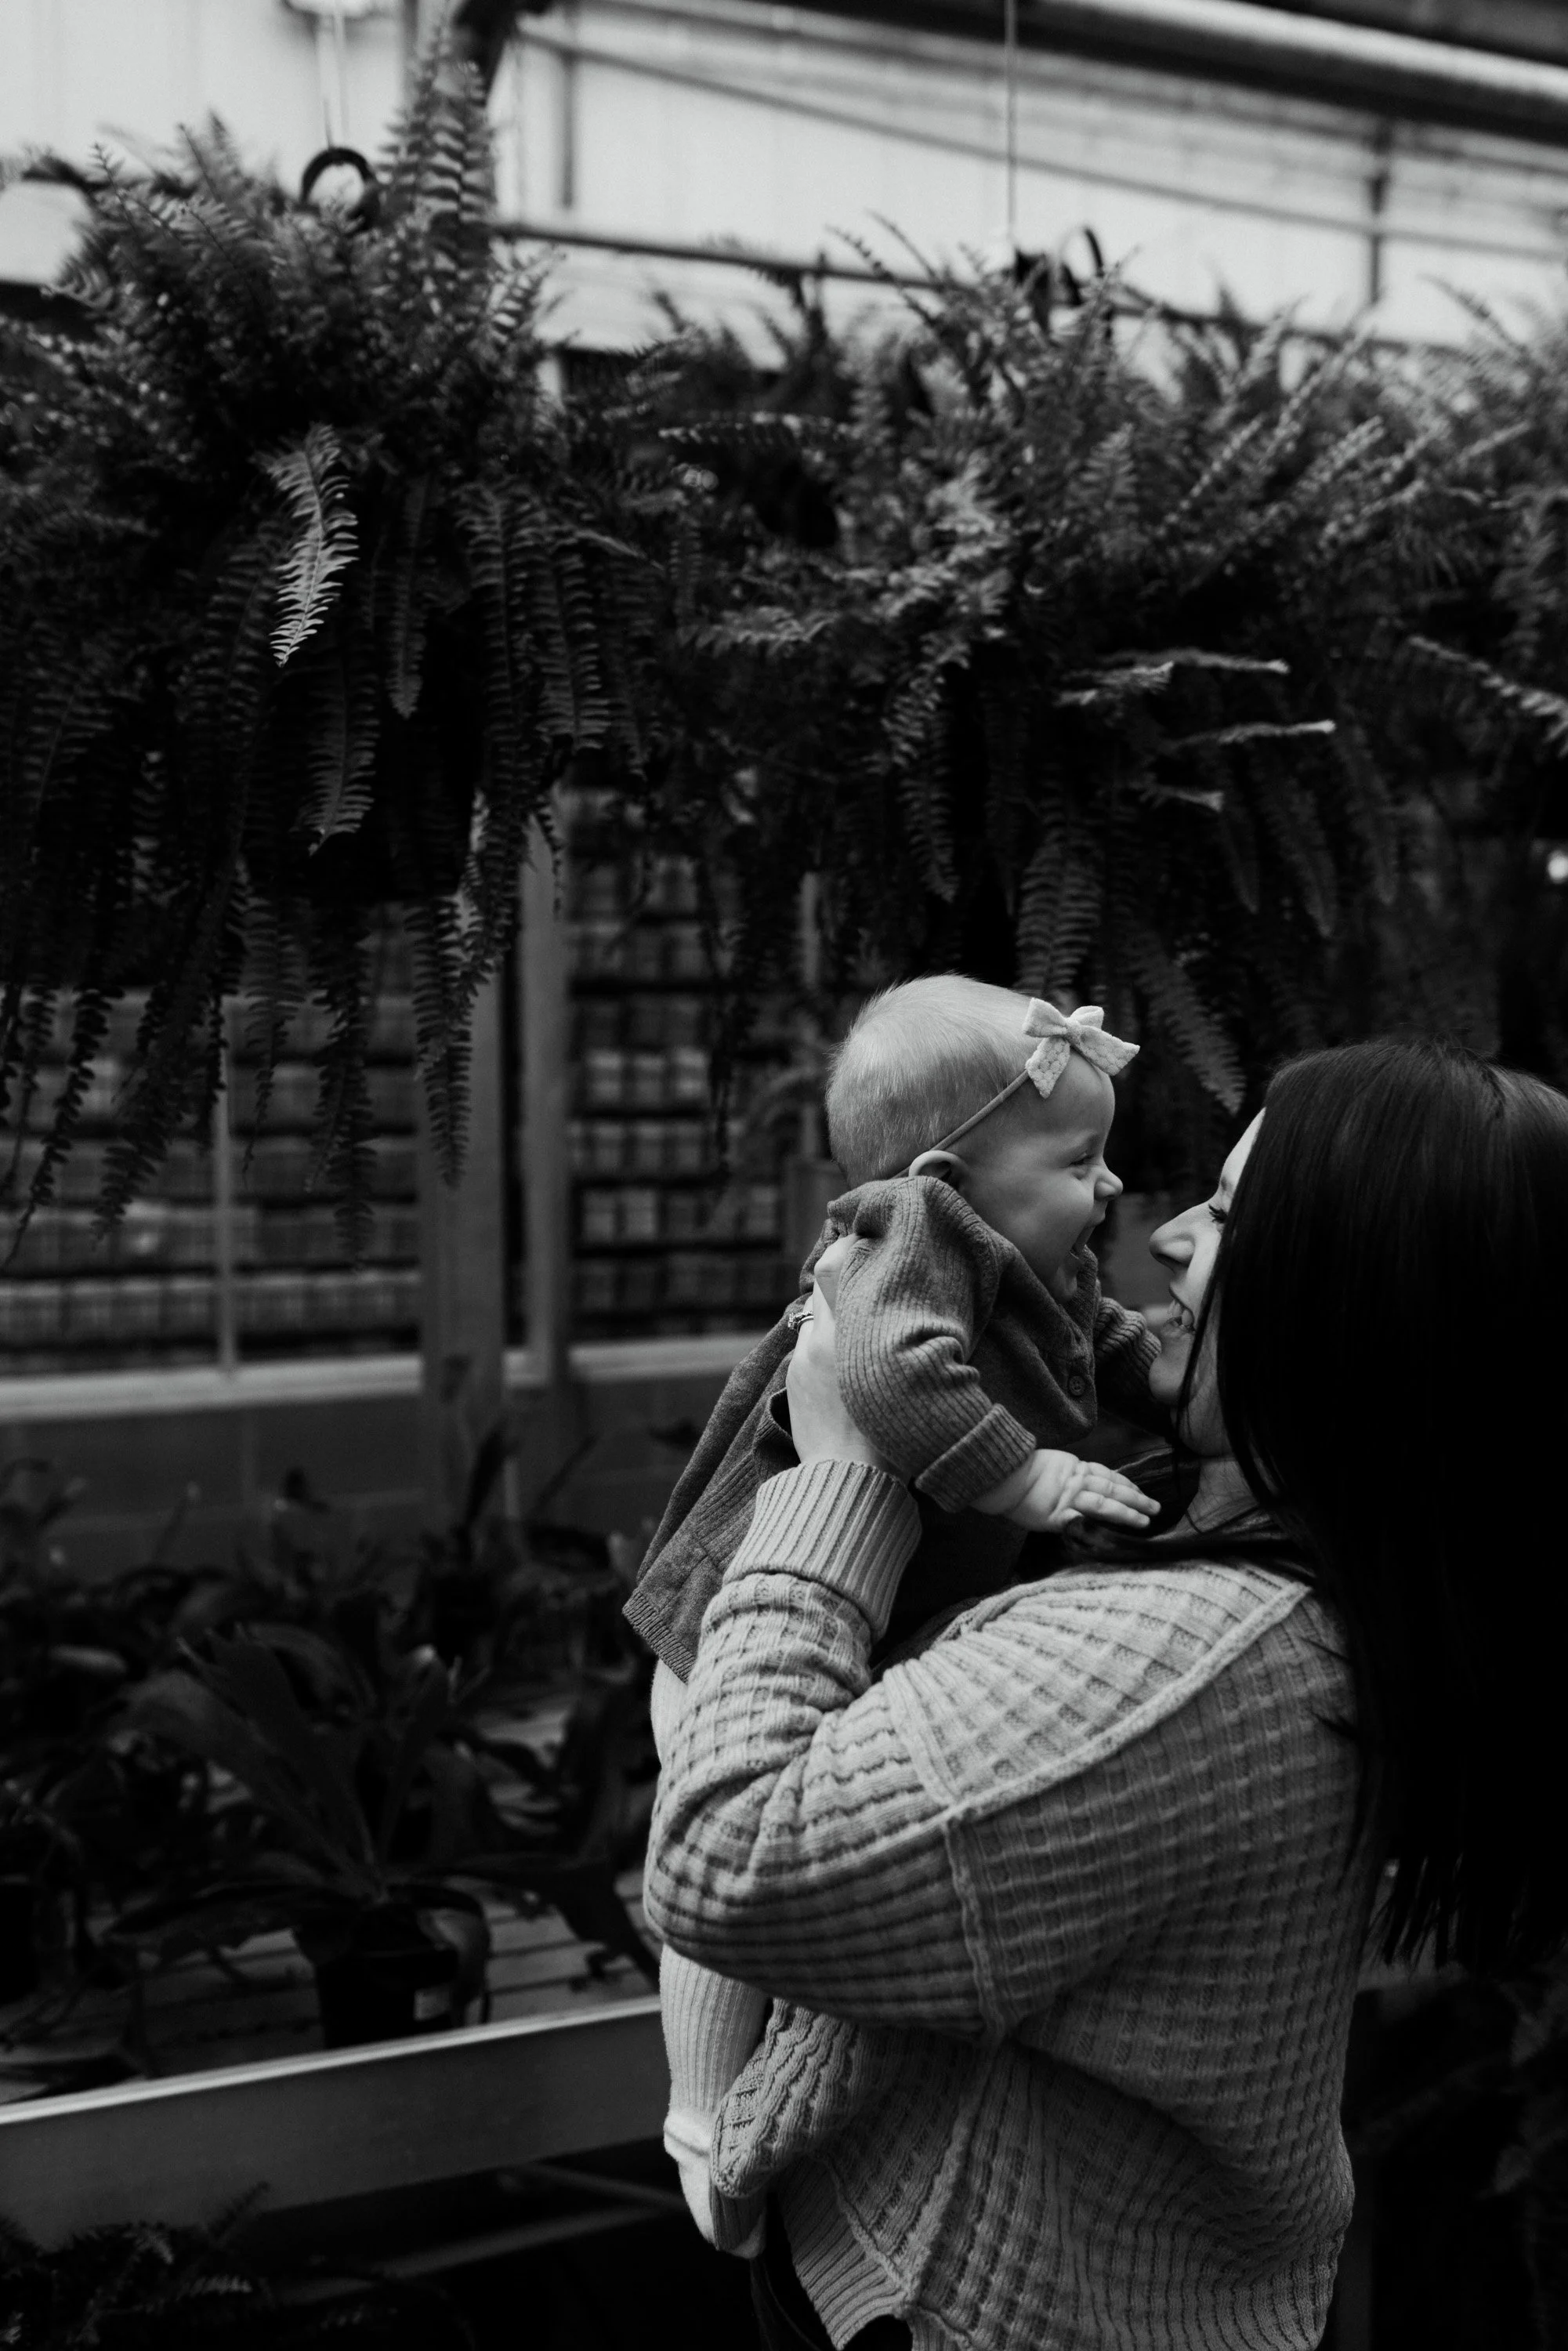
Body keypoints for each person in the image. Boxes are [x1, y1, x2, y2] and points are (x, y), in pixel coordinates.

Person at [644, 1034, 1568, 2351]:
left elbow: (730, 1862)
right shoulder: (1339, 1591)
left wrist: (837, 1476)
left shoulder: (1183, 1665)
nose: (1170, 1235)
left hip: (969, 2311)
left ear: (1348, 1300)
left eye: (1230, 1215)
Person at [627, 975, 1162, 2245]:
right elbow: (886, 1374)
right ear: (946, 1176)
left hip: (846, 1622)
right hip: (732, 1625)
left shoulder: (1032, 1262)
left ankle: (770, 2103)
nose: (1111, 1185)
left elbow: (1105, 1348)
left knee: (800, 1885)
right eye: (1077, 1161)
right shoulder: (906, 1235)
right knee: (716, 1895)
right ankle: (698, 2114)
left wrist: (1176, 1374)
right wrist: (1029, 1481)